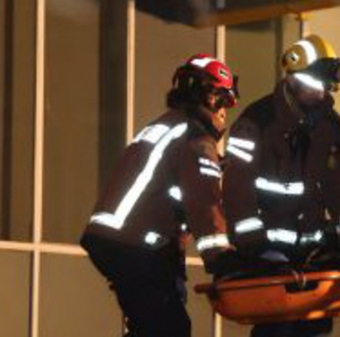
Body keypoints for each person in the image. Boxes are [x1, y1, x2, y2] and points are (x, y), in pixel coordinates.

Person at [81, 54, 239, 337]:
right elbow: (203, 201)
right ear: (211, 97)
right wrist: (221, 257)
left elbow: (168, 197)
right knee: (170, 328)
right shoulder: (195, 138)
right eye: (225, 102)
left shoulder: (166, 126)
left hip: (120, 241)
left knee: (153, 325)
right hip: (137, 245)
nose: (225, 113)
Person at [222, 35, 340, 337]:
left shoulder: (330, 125)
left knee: (316, 328)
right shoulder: (256, 122)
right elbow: (236, 190)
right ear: (292, 78)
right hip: (268, 254)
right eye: (314, 84)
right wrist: (257, 249)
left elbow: (337, 187)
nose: (321, 93)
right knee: (275, 329)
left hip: (313, 254)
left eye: (326, 87)